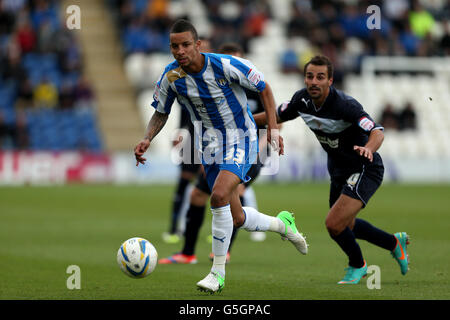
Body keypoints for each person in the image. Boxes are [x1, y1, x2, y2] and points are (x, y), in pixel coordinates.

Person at [134, 19, 308, 294]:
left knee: (217, 196)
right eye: (174, 46)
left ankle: (217, 273)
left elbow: (264, 88)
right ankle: (282, 224)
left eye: (186, 45)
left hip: (242, 137)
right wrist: (147, 138)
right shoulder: (171, 77)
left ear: (198, 44)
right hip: (209, 146)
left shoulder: (225, 65)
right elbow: (161, 111)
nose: (180, 51)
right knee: (237, 218)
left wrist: (273, 130)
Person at [253, 55, 409, 284]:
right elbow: (274, 115)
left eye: (320, 77)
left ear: (330, 80)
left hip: (364, 167)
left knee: (333, 224)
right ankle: (394, 243)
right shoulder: (301, 100)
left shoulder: (345, 105)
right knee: (346, 225)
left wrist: (368, 148)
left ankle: (358, 265)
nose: (314, 81)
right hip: (338, 169)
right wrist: (242, 120)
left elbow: (377, 130)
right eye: (310, 76)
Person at [158, 42, 269, 265]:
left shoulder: (250, 86)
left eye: (236, 58)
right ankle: (188, 252)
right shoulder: (214, 84)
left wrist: (261, 146)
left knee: (231, 191)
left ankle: (222, 254)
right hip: (218, 149)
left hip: (250, 148)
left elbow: (273, 116)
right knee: (197, 195)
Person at [161, 37, 212, 244]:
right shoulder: (182, 75)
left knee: (211, 186)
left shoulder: (215, 74)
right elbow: (183, 108)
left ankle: (215, 231)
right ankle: (174, 229)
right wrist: (180, 132)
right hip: (192, 136)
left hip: (213, 139)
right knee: (183, 182)